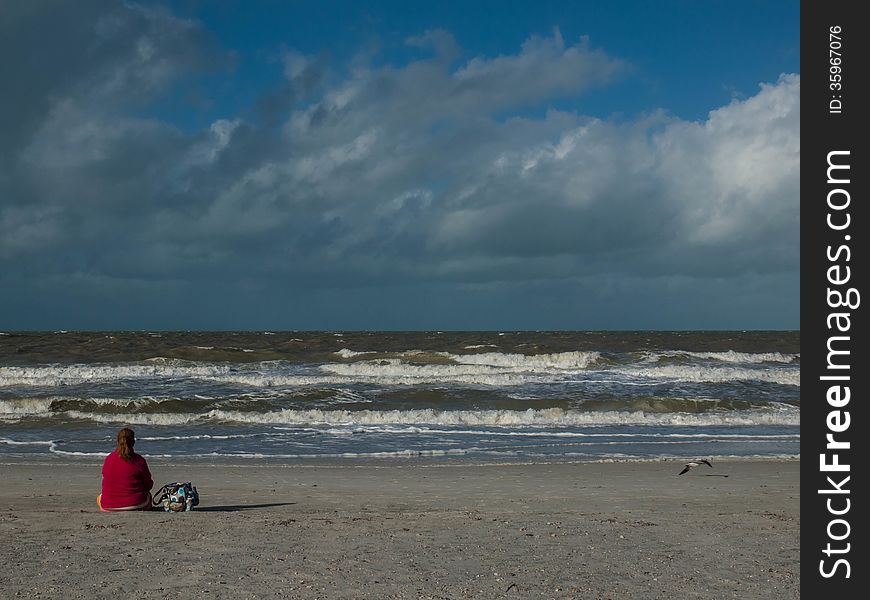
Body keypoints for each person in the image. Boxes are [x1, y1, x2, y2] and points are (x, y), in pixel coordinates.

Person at [97, 427, 153, 511]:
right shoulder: (139, 460)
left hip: (108, 505)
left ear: (117, 441)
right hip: (135, 503)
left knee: (99, 497)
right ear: (133, 442)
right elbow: (148, 485)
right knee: (148, 495)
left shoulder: (108, 459)